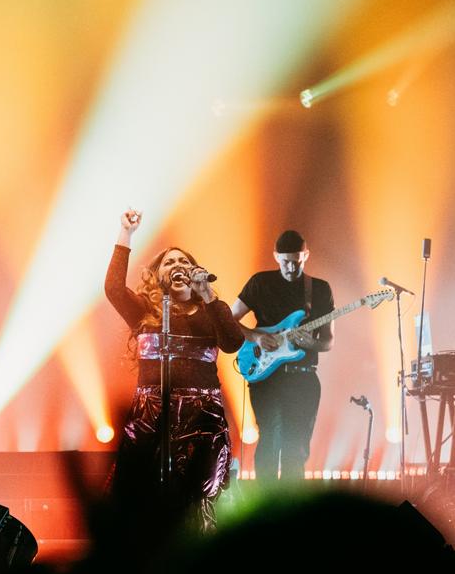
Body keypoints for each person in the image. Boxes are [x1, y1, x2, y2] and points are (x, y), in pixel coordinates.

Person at [105, 209, 244, 529]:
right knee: (143, 492)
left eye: (184, 262)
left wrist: (208, 295)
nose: (178, 267)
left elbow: (233, 342)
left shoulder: (212, 310)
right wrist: (125, 234)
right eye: (170, 263)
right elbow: (113, 289)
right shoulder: (144, 310)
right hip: (150, 414)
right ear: (157, 275)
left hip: (202, 416)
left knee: (196, 494)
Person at [231, 230, 334, 482]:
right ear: (276, 256)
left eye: (297, 260)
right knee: (269, 442)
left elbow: (329, 341)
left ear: (306, 255)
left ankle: (290, 510)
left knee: (296, 449)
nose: (291, 266)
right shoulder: (260, 283)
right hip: (266, 378)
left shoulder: (319, 289)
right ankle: (266, 508)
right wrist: (255, 337)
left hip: (303, 379)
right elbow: (229, 319)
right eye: (285, 260)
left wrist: (312, 342)